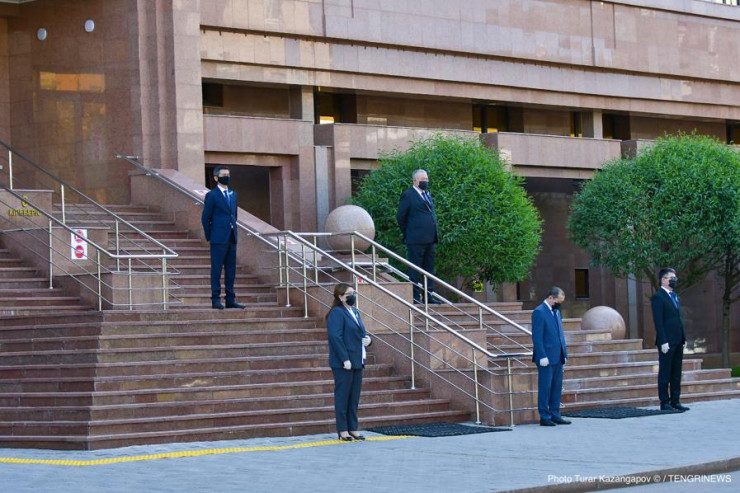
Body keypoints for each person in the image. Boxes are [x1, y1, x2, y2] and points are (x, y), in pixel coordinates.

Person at [326, 283, 372, 441]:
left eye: (353, 293)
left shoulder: (355, 312)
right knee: (343, 396)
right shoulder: (337, 313)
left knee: (354, 397)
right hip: (344, 363)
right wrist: (344, 359)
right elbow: (335, 337)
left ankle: (353, 428)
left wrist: (369, 340)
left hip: (357, 360)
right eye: (349, 294)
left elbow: (359, 333)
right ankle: (342, 430)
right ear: (340, 297)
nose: (352, 297)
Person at [201, 166, 245, 310]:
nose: (226, 177)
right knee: (217, 269)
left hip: (231, 237)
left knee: (231, 270)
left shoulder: (233, 194)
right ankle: (215, 299)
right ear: (216, 177)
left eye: (228, 174)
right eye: (223, 174)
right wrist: (211, 236)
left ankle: (230, 299)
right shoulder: (212, 195)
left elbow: (234, 215)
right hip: (218, 238)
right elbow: (205, 218)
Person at [396, 169, 440, 304]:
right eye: (422, 179)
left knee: (429, 269)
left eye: (426, 179)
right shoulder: (408, 195)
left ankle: (428, 296)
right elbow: (401, 216)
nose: (425, 181)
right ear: (415, 181)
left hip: (430, 238)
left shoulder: (427, 194)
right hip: (415, 239)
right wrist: (409, 232)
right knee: (415, 269)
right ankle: (415, 296)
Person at [651, 268, 689, 412]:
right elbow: (658, 321)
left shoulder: (675, 296)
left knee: (676, 373)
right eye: (671, 278)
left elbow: (678, 318)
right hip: (667, 341)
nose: (674, 280)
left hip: (678, 340)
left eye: (675, 278)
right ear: (663, 280)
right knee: (665, 373)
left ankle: (675, 401)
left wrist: (683, 336)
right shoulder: (658, 297)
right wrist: (663, 341)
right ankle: (664, 402)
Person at [531, 286, 570, 426]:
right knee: (545, 387)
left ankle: (555, 413)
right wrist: (541, 355)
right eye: (558, 301)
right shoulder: (539, 312)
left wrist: (564, 353)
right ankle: (544, 416)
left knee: (556, 387)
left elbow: (560, 334)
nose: (559, 304)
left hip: (558, 356)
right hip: (546, 357)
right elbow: (537, 336)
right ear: (550, 298)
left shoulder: (556, 312)